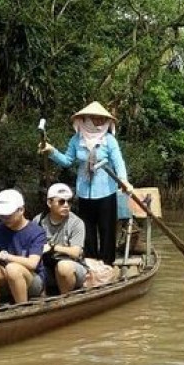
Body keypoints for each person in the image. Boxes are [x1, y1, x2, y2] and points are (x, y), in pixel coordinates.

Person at [38, 101, 132, 265]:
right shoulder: (76, 140)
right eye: (95, 118)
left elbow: (118, 162)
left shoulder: (109, 140)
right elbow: (67, 161)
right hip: (84, 193)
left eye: (101, 119)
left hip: (106, 192)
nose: (99, 122)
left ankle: (107, 265)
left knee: (106, 230)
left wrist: (124, 180)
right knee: (87, 231)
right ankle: (89, 264)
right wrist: (52, 151)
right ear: (86, 119)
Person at [0, 188, 47, 308]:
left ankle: (21, 308)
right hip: (7, 277)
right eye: (1, 215)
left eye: (8, 215)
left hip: (32, 279)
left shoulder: (36, 231)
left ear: (21, 210)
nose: (4, 218)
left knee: (13, 268)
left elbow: (32, 264)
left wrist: (4, 256)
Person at [35, 183, 88, 295]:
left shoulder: (76, 223)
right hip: (46, 268)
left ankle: (65, 299)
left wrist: (53, 247)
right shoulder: (38, 221)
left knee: (63, 266)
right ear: (49, 203)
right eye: (61, 201)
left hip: (72, 267)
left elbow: (75, 252)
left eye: (69, 201)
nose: (66, 205)